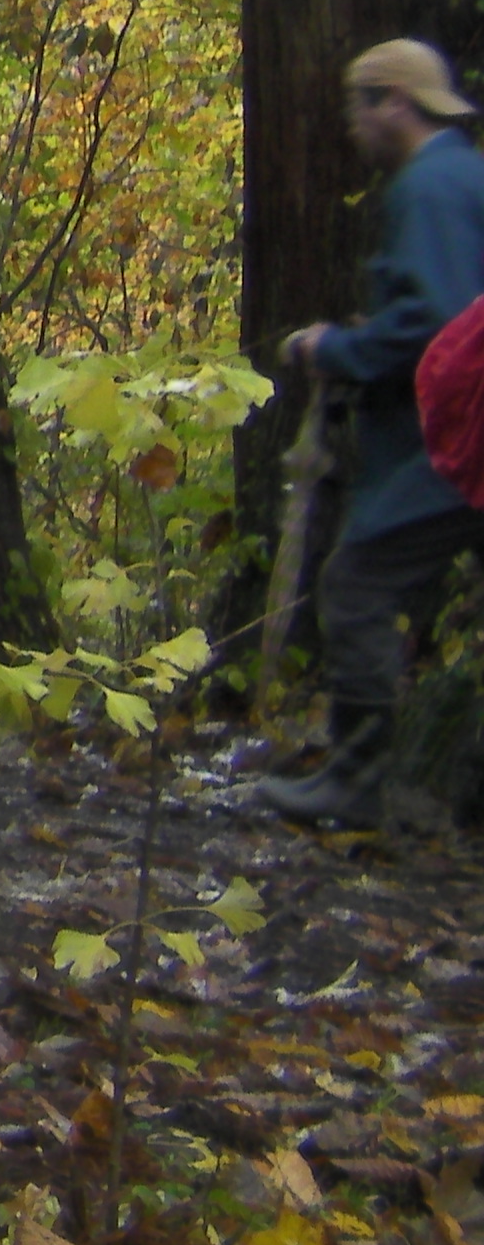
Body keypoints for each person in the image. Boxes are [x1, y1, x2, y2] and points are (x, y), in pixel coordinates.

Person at [258, 41, 484, 826]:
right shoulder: (463, 174)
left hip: (453, 444)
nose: (352, 127)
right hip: (460, 435)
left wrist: (337, 350)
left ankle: (353, 785)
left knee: (355, 586)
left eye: (358, 106)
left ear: (394, 103)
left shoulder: (428, 185)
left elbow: (440, 322)